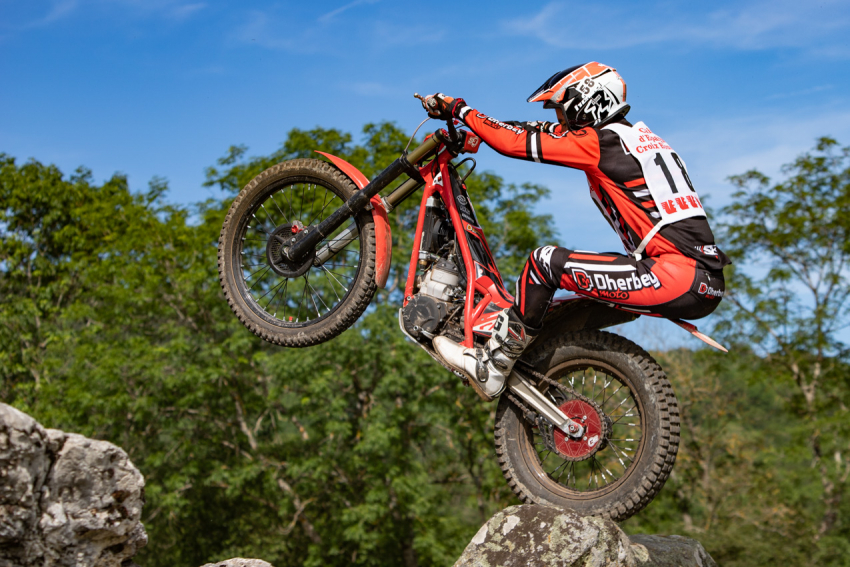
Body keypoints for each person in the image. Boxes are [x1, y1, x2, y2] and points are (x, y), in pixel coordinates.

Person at [421, 62, 730, 401]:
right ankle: (526, 351)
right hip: (700, 278)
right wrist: (477, 128)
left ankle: (492, 366)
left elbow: (513, 143)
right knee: (570, 272)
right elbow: (535, 130)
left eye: (562, 109)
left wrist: (459, 109)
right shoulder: (636, 139)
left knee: (544, 263)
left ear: (588, 103)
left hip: (675, 276)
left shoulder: (601, 142)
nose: (560, 120)